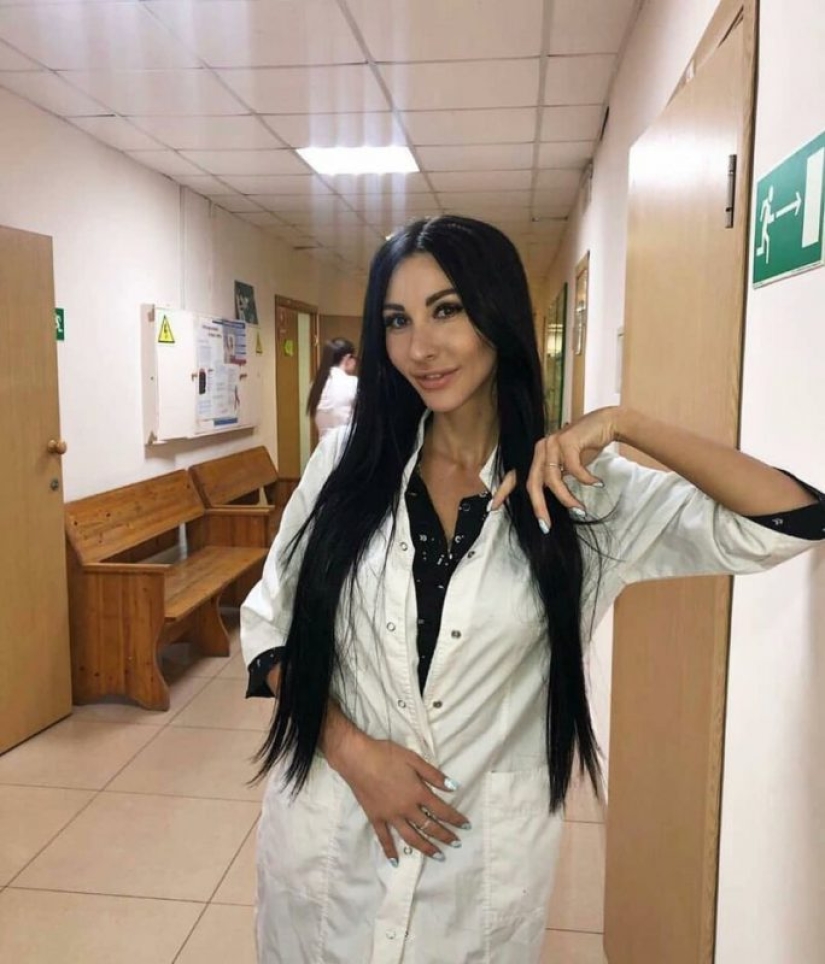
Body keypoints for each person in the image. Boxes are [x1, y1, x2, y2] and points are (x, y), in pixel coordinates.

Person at [241, 215, 823, 964]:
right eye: (397, 320)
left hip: (472, 866)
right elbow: (270, 626)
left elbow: (792, 519)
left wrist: (625, 422)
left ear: (498, 314)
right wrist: (352, 752)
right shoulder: (344, 466)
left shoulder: (582, 491)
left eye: (447, 310)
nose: (420, 347)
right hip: (331, 843)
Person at [307, 336, 358, 438]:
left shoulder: (316, 384)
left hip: (323, 445)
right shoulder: (352, 383)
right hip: (346, 443)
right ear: (347, 358)